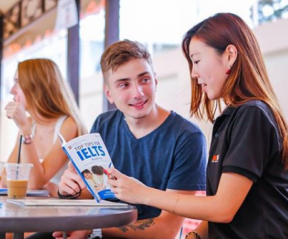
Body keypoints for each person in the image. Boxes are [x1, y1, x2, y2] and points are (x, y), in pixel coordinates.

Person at [108, 13, 288, 239]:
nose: (193, 73)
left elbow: (223, 209)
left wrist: (142, 194)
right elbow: (220, 210)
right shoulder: (231, 118)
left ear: (230, 55)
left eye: (197, 60)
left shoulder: (252, 114)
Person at [52, 40, 207, 239]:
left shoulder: (187, 137)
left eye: (144, 80)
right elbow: (93, 194)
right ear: (109, 94)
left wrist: (91, 227)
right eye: (124, 84)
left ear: (156, 81)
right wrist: (70, 191)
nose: (138, 93)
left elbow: (167, 229)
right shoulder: (103, 125)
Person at [4, 58, 87, 197]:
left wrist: (25, 131)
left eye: (18, 82)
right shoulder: (30, 124)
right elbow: (5, 180)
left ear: (36, 86)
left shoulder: (68, 125)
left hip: (62, 214)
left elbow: (33, 184)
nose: (12, 90)